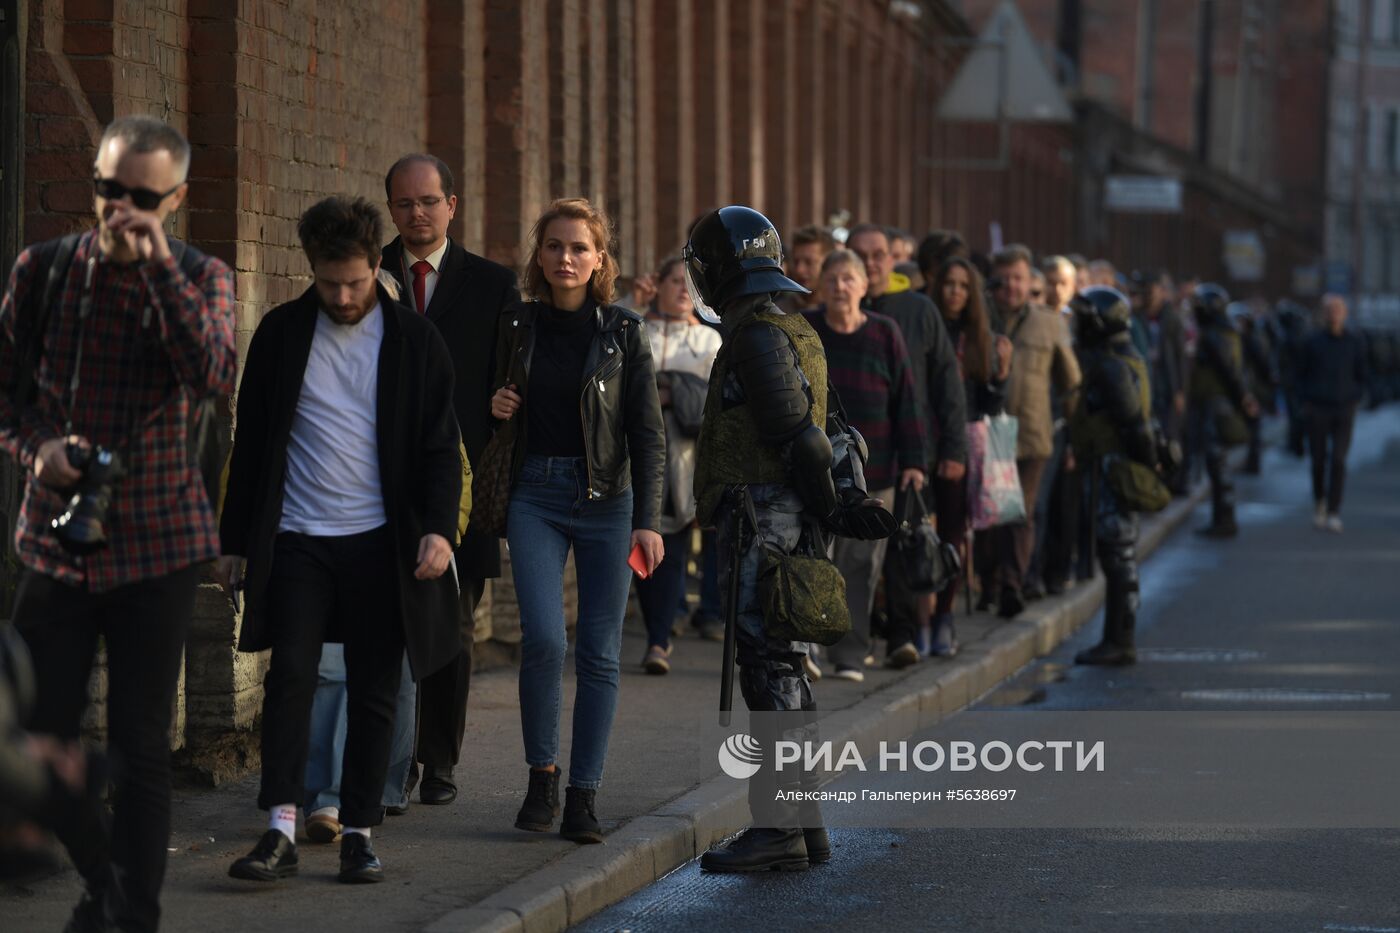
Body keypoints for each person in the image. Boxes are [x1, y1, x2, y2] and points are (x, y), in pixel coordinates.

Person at [0, 115, 236, 932]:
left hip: (160, 542)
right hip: (57, 537)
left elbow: (211, 373)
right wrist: (37, 448)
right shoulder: (44, 269)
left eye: (141, 196)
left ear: (175, 198)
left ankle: (133, 915)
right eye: (108, 188)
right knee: (33, 737)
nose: (120, 208)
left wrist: (159, 266)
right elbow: (5, 392)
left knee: (140, 743)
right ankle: (105, 878)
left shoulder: (201, 275)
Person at [221, 196, 462, 885]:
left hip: (381, 542)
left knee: (374, 688)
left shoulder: (414, 341)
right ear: (312, 270)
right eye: (330, 284)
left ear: (375, 264)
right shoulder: (281, 334)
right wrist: (234, 541)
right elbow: (253, 441)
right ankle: (280, 828)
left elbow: (440, 446)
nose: (344, 296)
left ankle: (358, 830)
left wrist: (439, 529)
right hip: (299, 538)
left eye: (355, 282)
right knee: (291, 678)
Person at [685, 205, 895, 873]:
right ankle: (805, 829)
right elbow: (831, 430)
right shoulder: (791, 325)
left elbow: (803, 437)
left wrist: (832, 508)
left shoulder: (758, 335)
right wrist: (839, 503)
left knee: (769, 667)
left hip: (766, 523)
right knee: (784, 668)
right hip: (782, 519)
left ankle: (779, 829)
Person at [489, 198, 664, 844]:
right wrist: (493, 403)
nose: (566, 257)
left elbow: (647, 432)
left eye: (579, 248)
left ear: (599, 259)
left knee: (599, 652)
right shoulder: (515, 324)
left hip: (608, 500)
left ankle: (583, 794)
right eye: (555, 246)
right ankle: (542, 774)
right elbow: (482, 404)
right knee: (543, 639)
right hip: (534, 492)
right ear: (539, 255)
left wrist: (649, 520)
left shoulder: (624, 331)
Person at [380, 153, 520, 807]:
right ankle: (390, 760)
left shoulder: (492, 285)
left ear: (452, 206)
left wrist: (503, 403)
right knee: (385, 627)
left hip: (461, 482)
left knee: (453, 627)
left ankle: (437, 760)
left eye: (429, 201)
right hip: (380, 481)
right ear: (391, 209)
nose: (417, 213)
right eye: (405, 203)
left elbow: (512, 376)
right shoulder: (369, 274)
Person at [845, 223, 965, 667]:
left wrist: (953, 449)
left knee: (900, 543)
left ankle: (901, 636)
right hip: (848, 452)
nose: (871, 263)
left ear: (892, 259)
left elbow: (946, 381)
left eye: (878, 254)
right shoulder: (838, 305)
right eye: (860, 255)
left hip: (905, 448)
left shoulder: (917, 308)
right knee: (851, 552)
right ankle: (853, 641)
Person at [804, 250, 926, 680]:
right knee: (814, 558)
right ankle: (808, 648)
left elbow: (906, 398)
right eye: (832, 278)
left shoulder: (884, 332)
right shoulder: (807, 329)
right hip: (817, 469)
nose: (840, 286)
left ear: (863, 286)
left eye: (848, 278)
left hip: (876, 470)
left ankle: (850, 655)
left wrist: (914, 460)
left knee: (860, 566)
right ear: (821, 285)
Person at [636, 257, 721, 673]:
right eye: (675, 281)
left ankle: (659, 640)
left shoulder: (708, 340)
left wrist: (673, 390)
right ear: (658, 286)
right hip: (635, 457)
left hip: (685, 462)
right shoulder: (637, 328)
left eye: (692, 284)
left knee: (671, 551)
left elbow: (717, 403)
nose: (684, 290)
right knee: (638, 550)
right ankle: (655, 628)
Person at [1066, 287, 1159, 666]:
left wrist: (1149, 464)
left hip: (1113, 470)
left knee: (1118, 557)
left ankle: (1119, 640)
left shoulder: (1111, 366)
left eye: (1084, 319)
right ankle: (1117, 638)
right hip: (1114, 466)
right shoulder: (1122, 358)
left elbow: (1134, 423)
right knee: (1120, 556)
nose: (1078, 326)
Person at [989, 245, 1081, 618]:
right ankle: (995, 582)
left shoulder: (1049, 322)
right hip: (992, 430)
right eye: (1005, 278)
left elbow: (1070, 382)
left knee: (1023, 511)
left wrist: (1073, 437)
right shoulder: (983, 317)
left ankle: (1013, 583)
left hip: (1033, 432)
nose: (1012, 286)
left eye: (1019, 278)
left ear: (1029, 282)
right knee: (997, 511)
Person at [930, 257, 1011, 655]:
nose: (956, 292)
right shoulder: (928, 325)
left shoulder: (981, 337)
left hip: (964, 444)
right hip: (924, 437)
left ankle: (943, 617)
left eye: (964, 286)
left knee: (954, 532)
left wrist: (1001, 376)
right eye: (950, 283)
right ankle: (915, 618)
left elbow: (990, 405)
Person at [1187, 284, 1259, 538]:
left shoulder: (1216, 335)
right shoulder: (1223, 332)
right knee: (1217, 463)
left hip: (1217, 404)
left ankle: (1225, 519)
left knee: (1217, 462)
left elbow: (1229, 371)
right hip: (1218, 402)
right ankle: (1222, 518)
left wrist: (1243, 398)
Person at [1298, 294, 1368, 532]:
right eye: (1329, 309)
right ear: (1323, 313)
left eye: (1338, 309)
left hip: (1344, 408)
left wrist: (1355, 396)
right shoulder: (1312, 341)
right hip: (1317, 407)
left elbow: (1362, 372)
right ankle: (1319, 501)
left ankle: (1334, 510)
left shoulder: (1355, 342)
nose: (1334, 313)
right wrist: (1305, 400)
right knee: (1318, 459)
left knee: (1338, 460)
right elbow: (1300, 373)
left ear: (1345, 313)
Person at [777, 224, 835, 313]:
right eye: (796, 262)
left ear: (829, 263)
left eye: (809, 262)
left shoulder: (840, 313)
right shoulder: (778, 312)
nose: (799, 270)